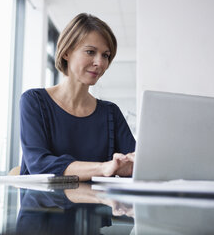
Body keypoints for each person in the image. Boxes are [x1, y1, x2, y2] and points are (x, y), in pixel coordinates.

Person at [19, 13, 135, 181]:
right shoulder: (34, 101)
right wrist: (104, 168)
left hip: (98, 205)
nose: (100, 63)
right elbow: (39, 165)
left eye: (105, 55)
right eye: (90, 52)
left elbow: (135, 161)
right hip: (43, 205)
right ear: (66, 52)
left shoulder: (110, 112)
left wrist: (131, 164)